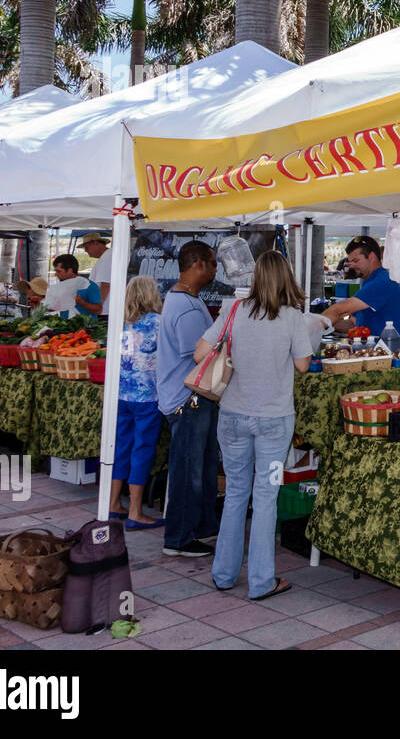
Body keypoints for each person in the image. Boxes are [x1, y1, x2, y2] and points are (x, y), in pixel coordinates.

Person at [197, 251, 313, 600]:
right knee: (266, 497)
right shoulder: (293, 317)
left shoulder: (234, 311)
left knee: (235, 494)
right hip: (274, 421)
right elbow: (304, 365)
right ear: (286, 277)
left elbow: (200, 353)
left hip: (232, 415)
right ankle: (262, 582)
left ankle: (224, 575)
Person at [157, 241, 220, 557]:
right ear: (197, 264)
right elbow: (200, 355)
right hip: (188, 399)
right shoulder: (183, 306)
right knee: (188, 470)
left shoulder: (185, 299)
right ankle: (178, 538)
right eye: (212, 263)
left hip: (193, 398)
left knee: (204, 466)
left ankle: (204, 525)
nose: (215, 269)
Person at [108, 276, 166, 528]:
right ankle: (135, 511)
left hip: (120, 394)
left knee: (120, 448)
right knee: (141, 451)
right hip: (147, 396)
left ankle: (112, 504)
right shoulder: (158, 323)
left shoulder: (118, 322)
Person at [320, 235, 400, 343]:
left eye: (356, 261)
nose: (351, 266)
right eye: (350, 261)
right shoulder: (369, 282)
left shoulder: (382, 282)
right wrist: (328, 322)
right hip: (375, 354)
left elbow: (339, 309)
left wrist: (313, 322)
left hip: (390, 356)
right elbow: (353, 323)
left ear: (371, 257)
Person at [48, 254, 101, 319]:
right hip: (66, 326)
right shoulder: (61, 286)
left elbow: (98, 310)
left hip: (85, 328)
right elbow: (55, 307)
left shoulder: (89, 286)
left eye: (58, 271)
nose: (56, 274)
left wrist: (81, 302)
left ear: (70, 271)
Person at [79, 233, 112, 313]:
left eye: (87, 247)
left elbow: (105, 285)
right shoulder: (106, 256)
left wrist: (96, 307)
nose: (85, 250)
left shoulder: (107, 257)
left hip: (104, 310)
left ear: (96, 243)